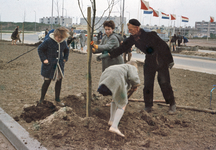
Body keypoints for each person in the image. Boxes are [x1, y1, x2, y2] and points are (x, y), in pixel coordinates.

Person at [101, 19, 176, 114]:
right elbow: (122, 48)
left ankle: (172, 104)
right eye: (129, 29)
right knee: (148, 84)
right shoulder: (133, 38)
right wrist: (110, 55)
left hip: (161, 60)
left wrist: (170, 60)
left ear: (137, 28)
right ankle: (148, 106)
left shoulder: (150, 34)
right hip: (149, 61)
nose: (129, 31)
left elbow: (163, 46)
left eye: (131, 29)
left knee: (164, 83)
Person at [97, 61, 140, 137]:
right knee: (123, 103)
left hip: (104, 82)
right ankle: (114, 126)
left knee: (115, 98)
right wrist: (136, 84)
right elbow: (133, 77)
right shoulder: (131, 67)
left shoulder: (119, 67)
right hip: (116, 79)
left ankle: (111, 120)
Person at [37, 27, 69, 107]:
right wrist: (44, 59)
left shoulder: (63, 42)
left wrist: (65, 58)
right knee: (47, 82)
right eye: (58, 37)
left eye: (61, 38)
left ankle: (57, 98)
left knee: (59, 82)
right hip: (49, 66)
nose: (59, 39)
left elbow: (66, 50)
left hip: (59, 66)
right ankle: (42, 99)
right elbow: (40, 49)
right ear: (55, 35)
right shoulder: (48, 41)